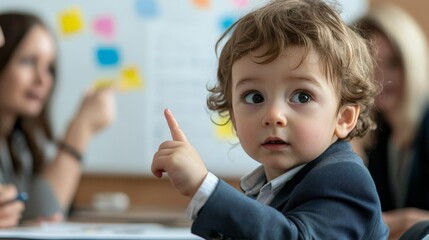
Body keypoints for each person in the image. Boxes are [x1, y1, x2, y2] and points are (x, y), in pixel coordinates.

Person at [151, 0, 389, 238]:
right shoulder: (268, 185)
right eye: (254, 97)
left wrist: (202, 185)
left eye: (302, 96)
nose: (273, 115)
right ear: (233, 116)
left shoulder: (344, 179)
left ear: (344, 118)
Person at [0, 12, 116, 227]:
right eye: (27, 61)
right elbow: (40, 212)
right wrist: (81, 128)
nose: (42, 79)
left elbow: (35, 216)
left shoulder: (19, 143)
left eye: (49, 68)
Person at [353, 4, 429, 239]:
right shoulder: (379, 139)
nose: (381, 78)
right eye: (370, 65)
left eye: (393, 64)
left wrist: (403, 220)